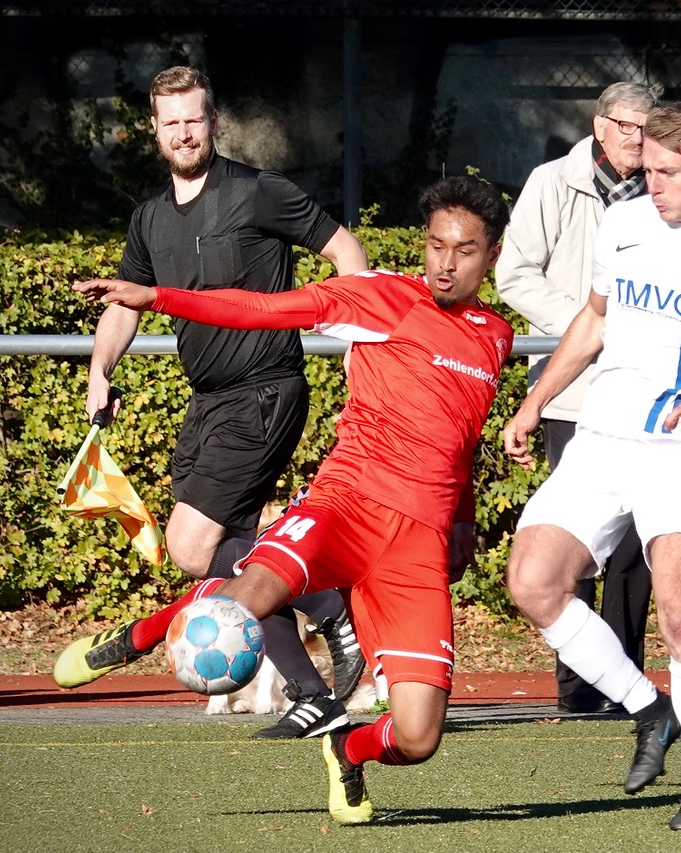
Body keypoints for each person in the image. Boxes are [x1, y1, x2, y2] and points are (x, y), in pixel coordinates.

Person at [66, 175, 513, 825]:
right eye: (436, 245)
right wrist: (155, 296)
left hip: (417, 544)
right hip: (347, 506)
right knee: (247, 605)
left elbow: (461, 434)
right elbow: (261, 309)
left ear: (491, 255)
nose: (445, 262)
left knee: (417, 736)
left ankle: (350, 750)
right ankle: (140, 634)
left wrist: (465, 518)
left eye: (464, 249)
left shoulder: (495, 336)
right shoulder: (383, 297)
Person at [502, 102, 681, 831]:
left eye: (668, 171)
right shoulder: (624, 222)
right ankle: (648, 708)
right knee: (533, 581)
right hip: (602, 436)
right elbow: (595, 319)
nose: (651, 181)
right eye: (647, 168)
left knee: (676, 605)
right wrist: (537, 399)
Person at [54, 66, 370, 739]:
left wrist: (357, 337)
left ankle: (328, 607)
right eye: (171, 122)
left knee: (192, 545)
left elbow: (347, 252)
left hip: (265, 390)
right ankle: (311, 690)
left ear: (214, 121)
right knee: (235, 548)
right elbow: (123, 307)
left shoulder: (257, 193)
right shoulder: (149, 219)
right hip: (209, 402)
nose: (184, 132)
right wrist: (99, 370)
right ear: (155, 130)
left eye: (193, 119)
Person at [496, 81, 662, 714]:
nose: (637, 137)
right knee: (571, 549)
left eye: (649, 127)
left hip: (646, 397)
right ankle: (575, 688)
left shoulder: (666, 193)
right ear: (600, 125)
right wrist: (585, 327)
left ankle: (626, 684)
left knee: (634, 554)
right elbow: (514, 272)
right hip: (572, 396)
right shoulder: (550, 182)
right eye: (626, 125)